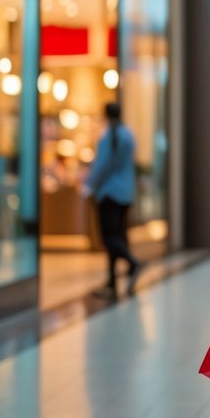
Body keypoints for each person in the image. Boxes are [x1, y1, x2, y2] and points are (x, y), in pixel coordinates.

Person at [86, 102, 142, 298]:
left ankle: (132, 262)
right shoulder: (128, 135)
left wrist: (89, 185)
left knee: (109, 237)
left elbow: (102, 166)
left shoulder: (108, 137)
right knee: (117, 235)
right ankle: (111, 281)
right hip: (125, 193)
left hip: (109, 194)